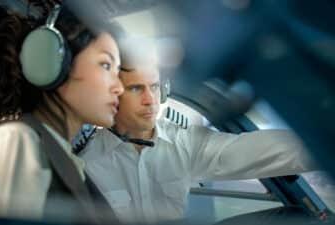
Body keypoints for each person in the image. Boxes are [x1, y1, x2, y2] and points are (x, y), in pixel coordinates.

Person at [79, 42, 317, 223]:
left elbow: (276, 151)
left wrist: (323, 141)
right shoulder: (86, 163)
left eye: (154, 87)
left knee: (294, 216)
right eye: (136, 89)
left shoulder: (184, 143)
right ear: (113, 94)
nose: (150, 100)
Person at [0, 1, 123, 223]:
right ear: (53, 62)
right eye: (106, 65)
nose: (119, 87)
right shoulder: (15, 143)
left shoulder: (58, 153)